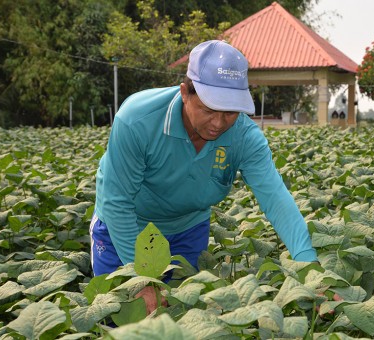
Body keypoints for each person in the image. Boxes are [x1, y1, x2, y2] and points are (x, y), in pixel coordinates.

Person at [89, 40, 317, 313]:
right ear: (185, 92)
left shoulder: (245, 137)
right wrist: (140, 278)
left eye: (230, 112)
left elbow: (276, 200)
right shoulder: (137, 120)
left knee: (182, 317)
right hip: (125, 229)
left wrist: (309, 270)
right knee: (122, 318)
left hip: (187, 230)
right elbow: (117, 203)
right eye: (209, 110)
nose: (219, 124)